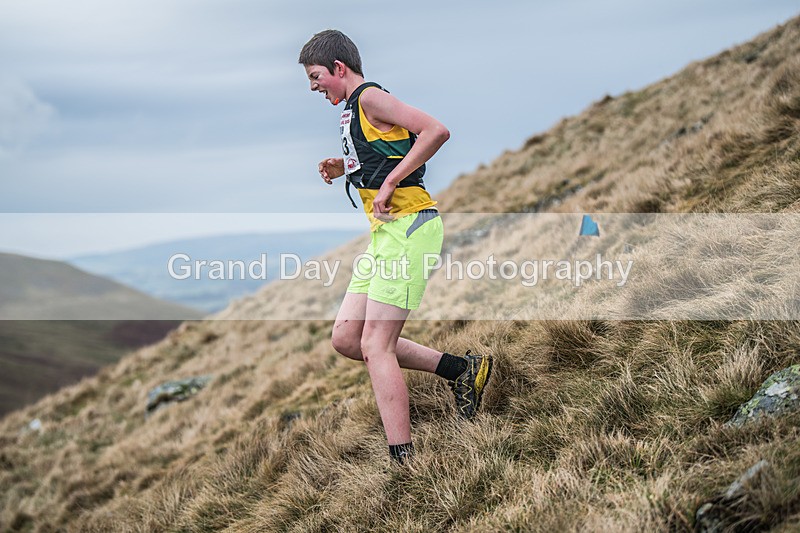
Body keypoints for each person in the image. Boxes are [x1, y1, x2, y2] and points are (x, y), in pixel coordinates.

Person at [298, 30, 493, 464]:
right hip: (386, 236)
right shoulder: (352, 109)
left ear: (339, 68)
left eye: (315, 77)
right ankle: (463, 371)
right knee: (348, 338)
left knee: (376, 345)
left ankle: (404, 463)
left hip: (410, 229)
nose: (313, 87)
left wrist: (390, 182)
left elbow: (435, 131)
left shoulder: (369, 97)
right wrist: (345, 164)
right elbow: (382, 152)